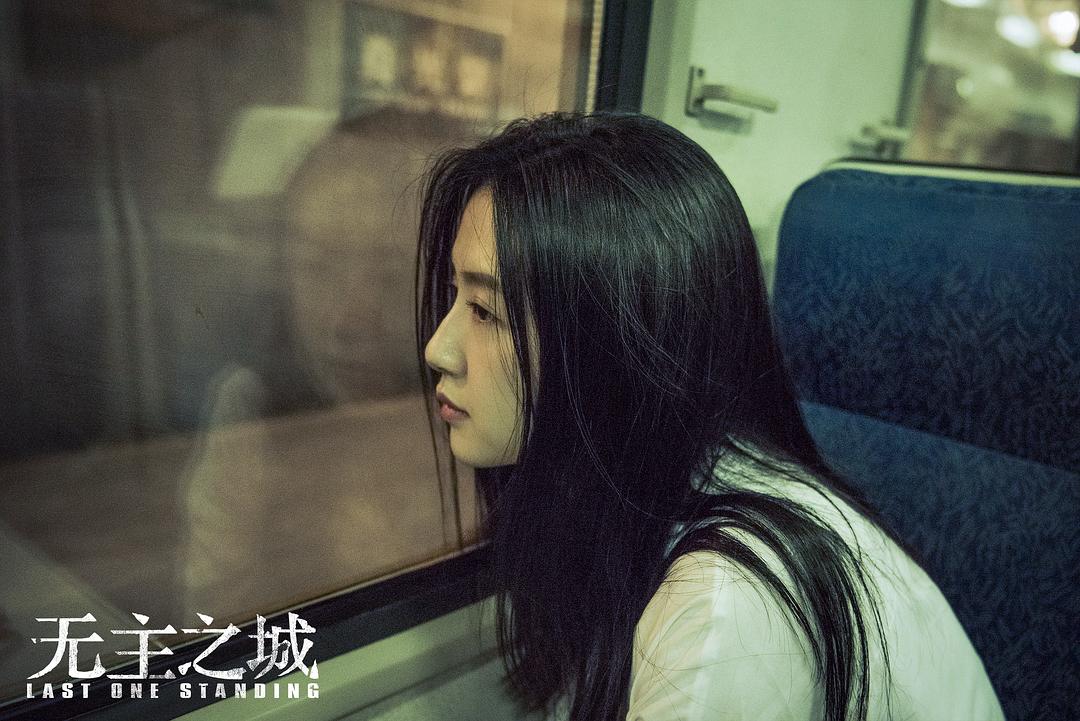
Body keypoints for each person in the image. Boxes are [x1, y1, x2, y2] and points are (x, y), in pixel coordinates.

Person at [416, 111, 1004, 721]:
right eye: (457, 295)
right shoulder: (626, 491)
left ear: (607, 350)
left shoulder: (727, 607)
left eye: (484, 311)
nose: (438, 348)